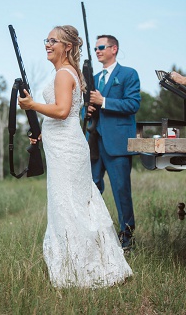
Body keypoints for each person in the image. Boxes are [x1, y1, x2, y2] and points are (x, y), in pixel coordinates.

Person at [17, 26, 132, 288]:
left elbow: (61, 110)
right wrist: (43, 133)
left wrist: (32, 105)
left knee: (68, 203)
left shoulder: (63, 74)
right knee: (76, 202)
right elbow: (66, 118)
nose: (47, 44)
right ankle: (91, 260)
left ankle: (78, 268)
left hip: (67, 150)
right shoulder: (69, 72)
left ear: (67, 46)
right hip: (65, 145)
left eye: (53, 41)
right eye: (46, 40)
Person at [86, 34, 140, 249]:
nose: (97, 51)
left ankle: (127, 237)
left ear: (114, 49)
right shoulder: (94, 78)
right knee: (91, 188)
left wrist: (104, 101)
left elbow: (133, 104)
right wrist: (87, 109)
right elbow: (84, 107)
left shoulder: (128, 74)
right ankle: (94, 234)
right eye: (96, 48)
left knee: (121, 191)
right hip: (94, 142)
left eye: (101, 47)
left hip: (117, 144)